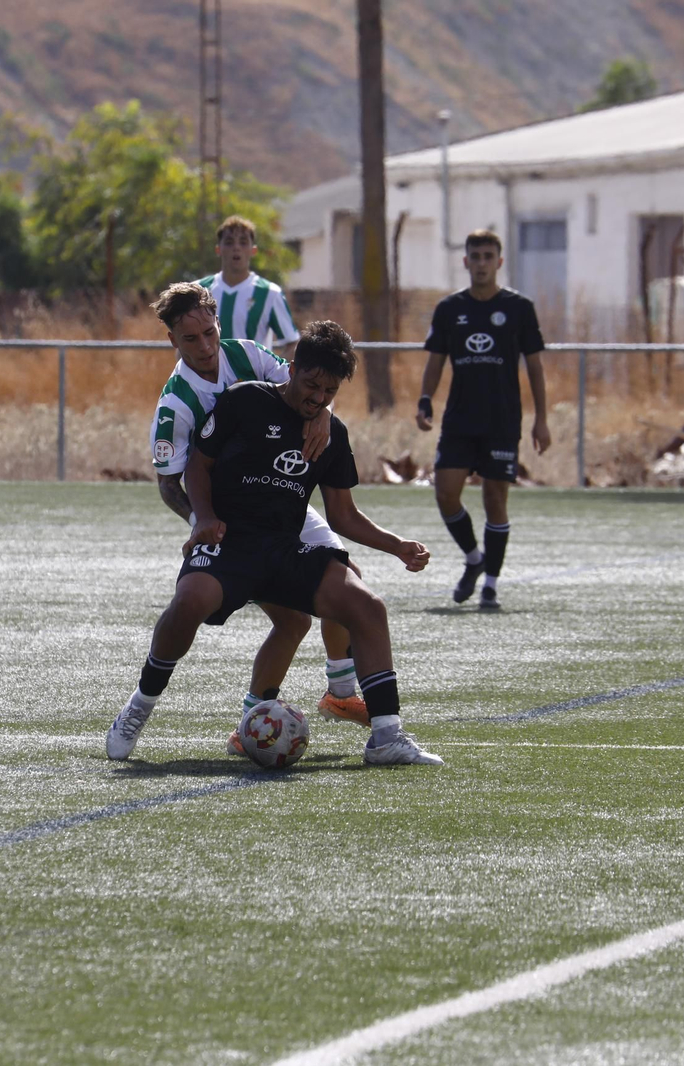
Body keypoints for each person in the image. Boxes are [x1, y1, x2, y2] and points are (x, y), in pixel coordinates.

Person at [111, 319, 442, 767]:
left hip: (285, 548)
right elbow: (197, 468)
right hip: (230, 541)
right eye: (311, 385)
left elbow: (343, 514)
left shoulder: (331, 433)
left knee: (367, 605)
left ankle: (386, 737)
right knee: (190, 601)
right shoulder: (245, 399)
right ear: (293, 369)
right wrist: (203, 518)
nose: (318, 398)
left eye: (329, 392)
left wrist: (397, 544)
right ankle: (140, 705)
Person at [147, 283, 369, 753]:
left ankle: (340, 692)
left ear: (218, 325)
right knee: (285, 620)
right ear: (172, 341)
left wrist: (325, 412)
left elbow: (307, 381)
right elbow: (170, 483)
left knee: (345, 575)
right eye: (191, 340)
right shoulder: (175, 404)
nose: (205, 347)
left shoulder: (248, 354)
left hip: (281, 496)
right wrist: (203, 521)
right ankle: (235, 714)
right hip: (226, 516)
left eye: (209, 333)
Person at [416, 229, 550, 610]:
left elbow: (536, 367)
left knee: (495, 497)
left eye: (488, 256)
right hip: (460, 419)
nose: (481, 263)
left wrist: (541, 419)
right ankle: (474, 558)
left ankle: (490, 583)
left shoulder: (519, 308)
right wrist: (425, 399)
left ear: (499, 262)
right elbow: (435, 361)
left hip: (502, 420)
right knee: (445, 492)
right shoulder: (449, 309)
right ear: (465, 262)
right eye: (475, 256)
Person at [197, 215, 300, 356]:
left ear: (253, 250)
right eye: (229, 242)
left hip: (253, 378)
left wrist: (274, 375)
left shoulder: (269, 293)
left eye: (243, 242)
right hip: (208, 379)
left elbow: (292, 343)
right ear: (218, 249)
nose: (236, 248)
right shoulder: (198, 291)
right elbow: (183, 343)